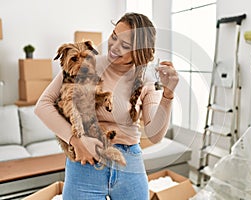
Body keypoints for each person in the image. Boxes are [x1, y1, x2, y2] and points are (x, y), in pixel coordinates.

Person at [35, 12, 179, 200]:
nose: (114, 47)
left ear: (139, 52)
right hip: (86, 161)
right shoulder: (85, 62)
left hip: (129, 163)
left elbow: (155, 134)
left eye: (125, 45)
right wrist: (75, 141)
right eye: (114, 36)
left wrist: (168, 94)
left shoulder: (146, 80)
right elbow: (43, 105)